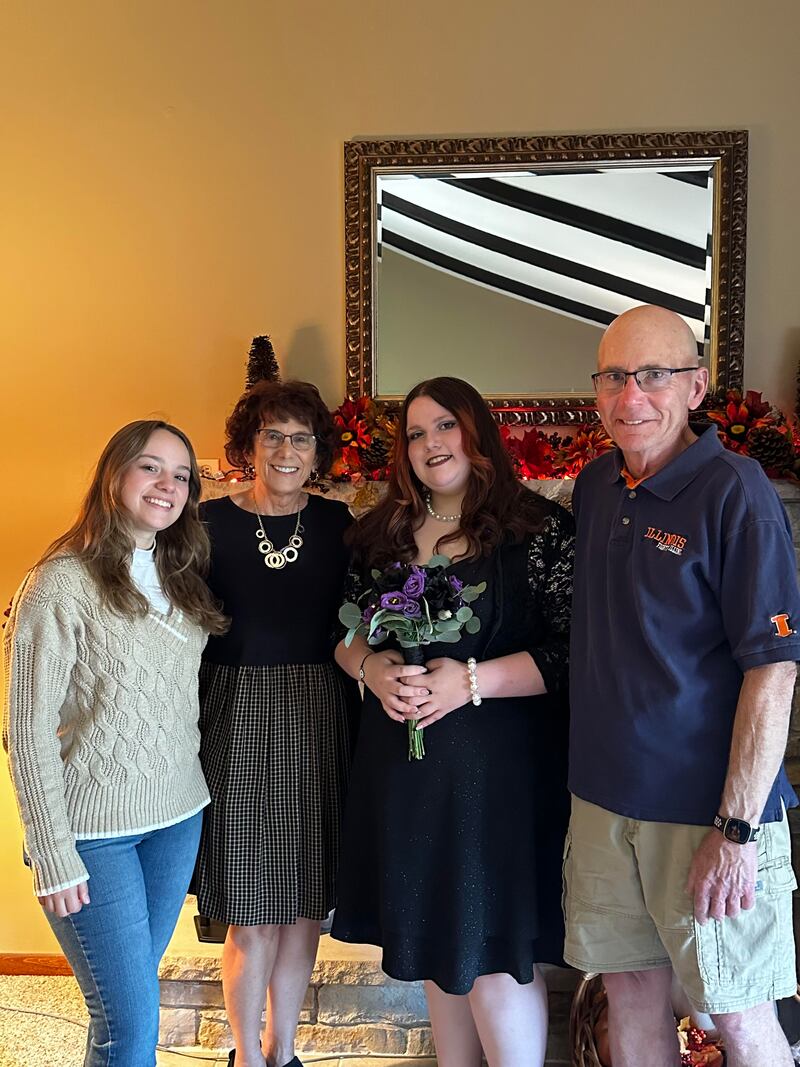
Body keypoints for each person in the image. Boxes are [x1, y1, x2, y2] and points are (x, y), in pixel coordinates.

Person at [565, 304, 800, 1067]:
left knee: (739, 1013)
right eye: (613, 376)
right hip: (604, 807)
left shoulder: (738, 491)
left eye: (653, 375)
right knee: (629, 997)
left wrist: (736, 831)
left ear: (695, 386)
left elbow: (774, 668)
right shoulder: (596, 486)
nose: (630, 395)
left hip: (708, 818)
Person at [331, 376, 574, 1067]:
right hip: (404, 776)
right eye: (415, 433)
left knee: (494, 958)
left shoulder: (536, 530)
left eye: (445, 425)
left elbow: (573, 652)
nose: (430, 443)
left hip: (497, 781)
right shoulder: (380, 533)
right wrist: (371, 670)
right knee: (437, 947)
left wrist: (469, 681)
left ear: (477, 433)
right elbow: (342, 636)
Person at [3, 419, 227, 1067]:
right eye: (150, 466)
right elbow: (26, 727)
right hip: (95, 834)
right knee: (127, 1026)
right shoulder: (60, 582)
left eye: (181, 475)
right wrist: (52, 851)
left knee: (126, 1007)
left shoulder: (181, 573)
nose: (167, 485)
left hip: (177, 817)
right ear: (114, 474)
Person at [193, 380, 355, 1067]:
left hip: (321, 714)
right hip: (234, 716)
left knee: (306, 906)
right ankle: (246, 1057)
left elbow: (361, 622)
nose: (287, 450)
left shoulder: (341, 524)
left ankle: (282, 1051)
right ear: (249, 445)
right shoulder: (205, 521)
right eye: (273, 436)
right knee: (251, 908)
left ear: (318, 451)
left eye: (301, 438)